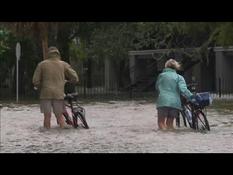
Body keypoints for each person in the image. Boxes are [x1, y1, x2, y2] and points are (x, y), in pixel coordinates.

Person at [32, 46, 79, 129]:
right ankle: (62, 134)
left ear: (48, 54)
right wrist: (69, 81)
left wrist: (39, 86)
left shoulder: (42, 64)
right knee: (60, 116)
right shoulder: (63, 64)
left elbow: (35, 81)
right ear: (58, 54)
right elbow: (75, 77)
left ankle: (47, 135)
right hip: (59, 94)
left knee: (47, 116)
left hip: (45, 94)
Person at [155, 59, 193, 130]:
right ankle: (170, 137)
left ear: (166, 66)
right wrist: (191, 97)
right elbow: (183, 90)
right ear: (176, 67)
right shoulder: (179, 77)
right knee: (170, 124)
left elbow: (157, 87)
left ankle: (164, 138)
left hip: (163, 101)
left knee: (161, 122)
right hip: (175, 103)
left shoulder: (161, 76)